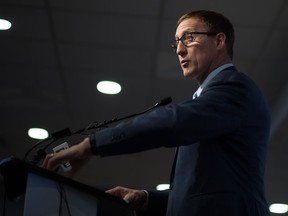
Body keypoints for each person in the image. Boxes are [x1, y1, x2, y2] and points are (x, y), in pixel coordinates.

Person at [43, 10, 271, 216]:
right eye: (176, 43)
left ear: (219, 40)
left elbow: (173, 122)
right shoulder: (211, 98)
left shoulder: (235, 88)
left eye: (189, 38)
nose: (180, 49)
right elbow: (202, 194)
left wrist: (92, 145)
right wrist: (145, 198)